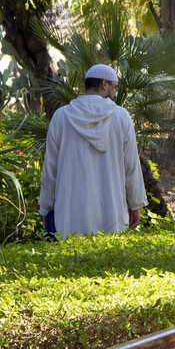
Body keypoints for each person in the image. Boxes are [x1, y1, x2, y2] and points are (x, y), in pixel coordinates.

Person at [39, 64, 146, 238]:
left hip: (69, 217)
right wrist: (135, 205)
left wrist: (45, 206)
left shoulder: (61, 117)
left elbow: (50, 168)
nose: (115, 94)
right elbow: (131, 166)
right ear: (105, 84)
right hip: (112, 215)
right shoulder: (121, 117)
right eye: (115, 87)